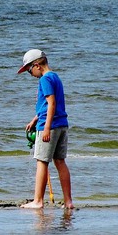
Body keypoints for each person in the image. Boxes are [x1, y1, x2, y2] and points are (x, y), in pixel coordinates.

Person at [18, 49, 74, 209]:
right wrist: (35, 119)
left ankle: (38, 201)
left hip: (50, 125)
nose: (30, 74)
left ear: (37, 65)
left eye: (29, 70)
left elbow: (51, 104)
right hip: (62, 124)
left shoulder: (44, 80)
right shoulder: (55, 77)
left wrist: (47, 127)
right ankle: (68, 201)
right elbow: (47, 104)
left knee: (42, 162)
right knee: (60, 161)